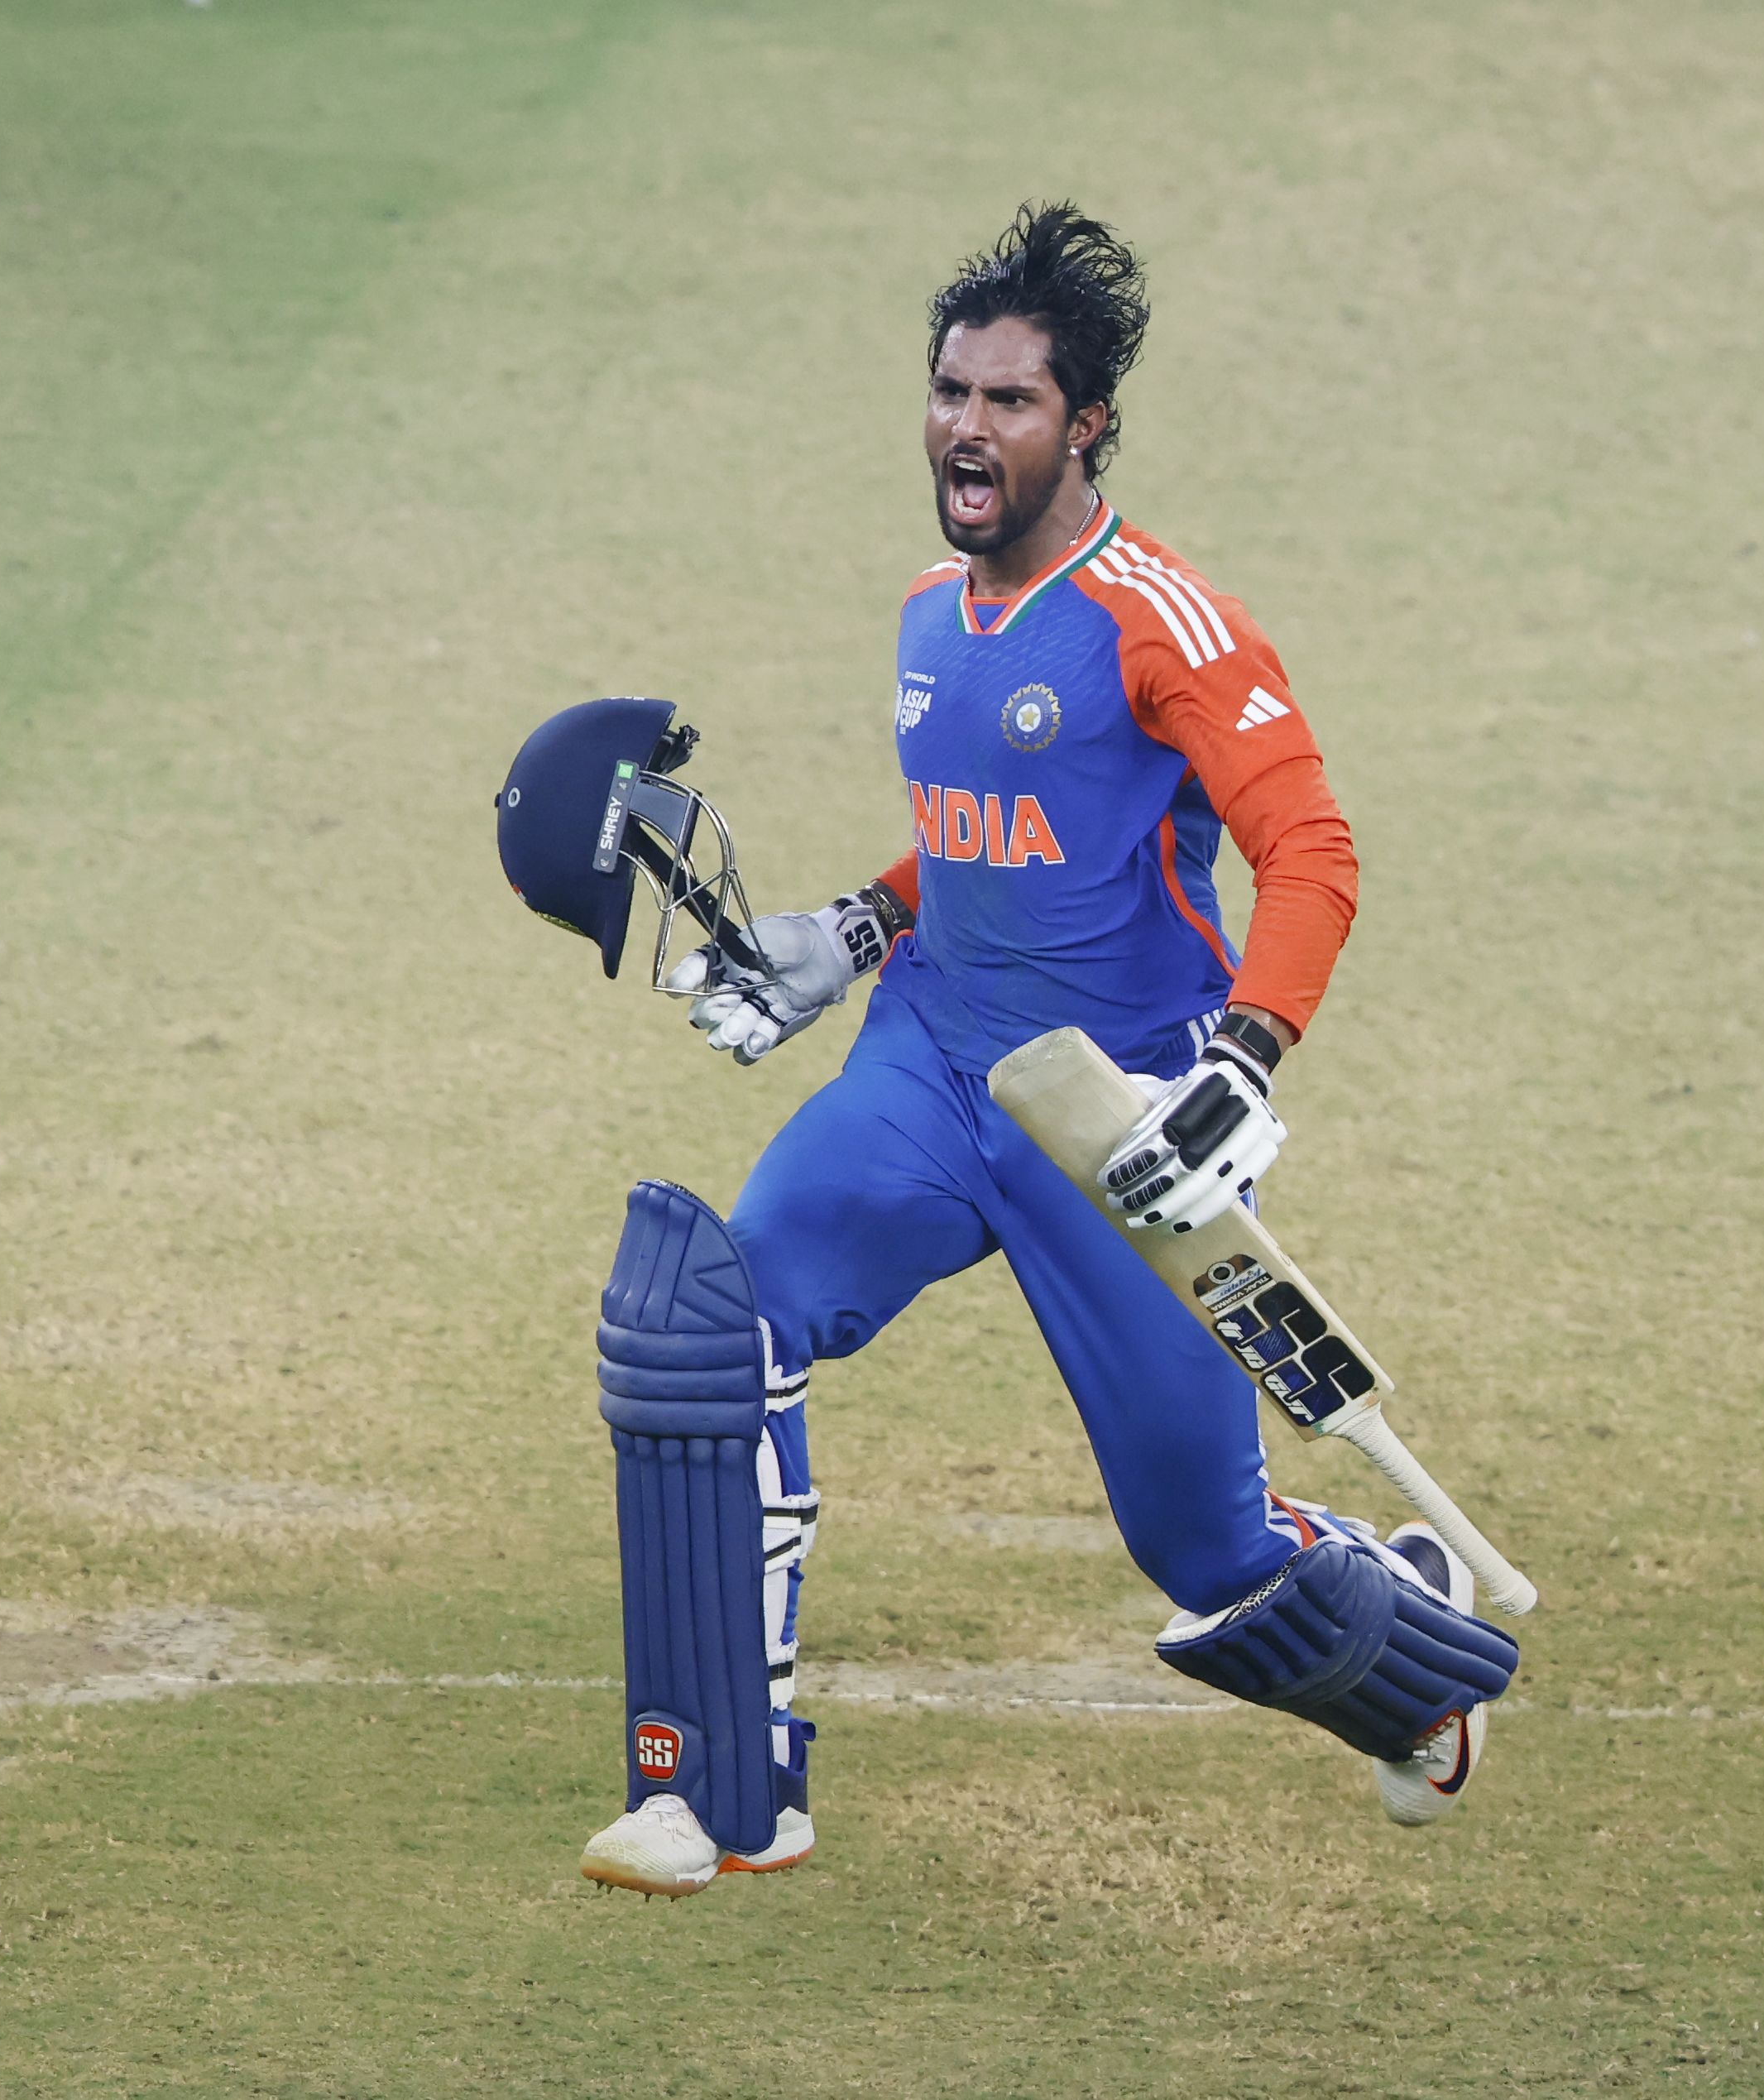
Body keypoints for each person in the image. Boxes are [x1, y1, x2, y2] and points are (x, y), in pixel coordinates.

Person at [559, 204, 1517, 1898]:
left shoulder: (1164, 622)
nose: (966, 426)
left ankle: (1408, 1626)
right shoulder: (933, 614)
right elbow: (988, 842)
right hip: (930, 1068)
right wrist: (856, 928)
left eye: (1009, 400)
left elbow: (1309, 853)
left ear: (1086, 427)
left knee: (1209, 1553)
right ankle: (723, 1786)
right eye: (950, 391)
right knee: (720, 1324)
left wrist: (1240, 1063)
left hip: (1109, 1118)